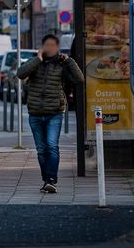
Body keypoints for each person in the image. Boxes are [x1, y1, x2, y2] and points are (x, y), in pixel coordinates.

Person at [16, 33, 84, 193]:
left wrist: (69, 60)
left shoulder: (62, 64)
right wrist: (38, 59)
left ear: (58, 47)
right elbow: (20, 73)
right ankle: (46, 179)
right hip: (35, 112)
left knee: (52, 146)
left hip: (54, 112)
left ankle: (51, 180)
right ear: (42, 47)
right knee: (41, 149)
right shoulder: (35, 63)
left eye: (53, 45)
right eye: (47, 45)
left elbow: (79, 79)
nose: (50, 48)